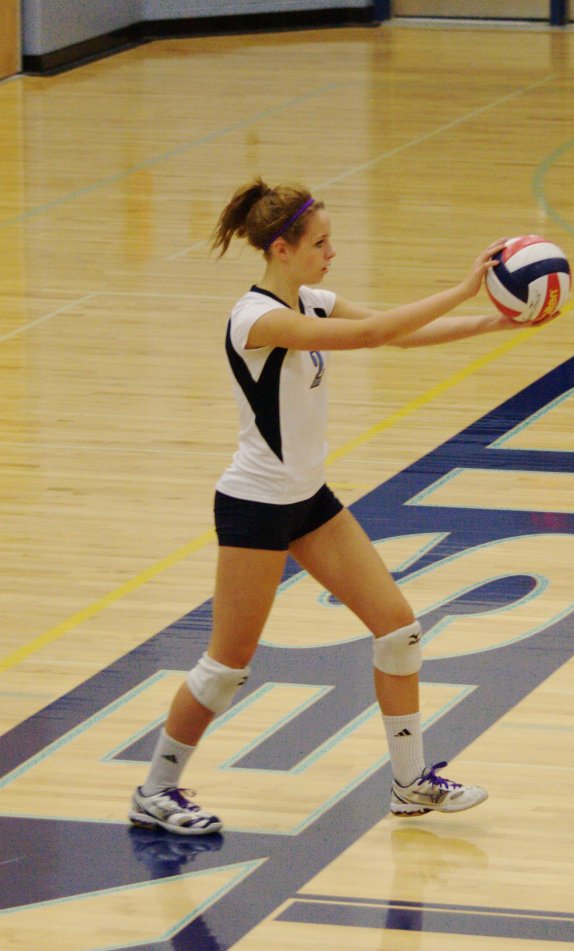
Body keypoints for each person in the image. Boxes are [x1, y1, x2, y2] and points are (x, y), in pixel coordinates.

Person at [129, 178, 527, 836]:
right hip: (256, 507)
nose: (331, 253)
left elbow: (398, 336)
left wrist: (498, 320)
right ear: (281, 249)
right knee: (227, 668)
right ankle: (155, 789)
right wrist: (465, 289)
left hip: (308, 500)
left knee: (397, 629)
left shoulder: (311, 301)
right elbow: (370, 334)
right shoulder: (255, 319)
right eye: (320, 243)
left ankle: (409, 783)